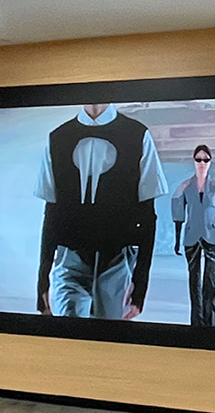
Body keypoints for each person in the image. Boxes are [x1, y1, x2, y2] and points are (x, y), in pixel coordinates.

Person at [34, 103, 168, 319]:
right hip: (70, 256)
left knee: (108, 335)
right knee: (69, 334)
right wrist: (43, 280)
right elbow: (51, 213)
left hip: (117, 258)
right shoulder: (58, 138)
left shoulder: (137, 135)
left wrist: (140, 282)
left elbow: (148, 215)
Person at [172, 144, 215, 327]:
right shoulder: (184, 186)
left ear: (210, 161)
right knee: (193, 281)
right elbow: (178, 213)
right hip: (191, 236)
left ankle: (212, 324)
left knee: (210, 282)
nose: (202, 162)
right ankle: (197, 323)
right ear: (194, 161)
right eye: (198, 159)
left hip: (213, 236)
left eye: (206, 159)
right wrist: (177, 239)